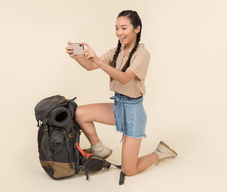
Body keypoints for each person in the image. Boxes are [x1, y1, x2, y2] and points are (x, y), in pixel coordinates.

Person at [65, 10, 177, 177]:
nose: (119, 33)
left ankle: (160, 153)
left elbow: (124, 78)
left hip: (134, 112)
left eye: (124, 28)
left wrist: (97, 60)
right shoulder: (116, 51)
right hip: (118, 106)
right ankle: (100, 150)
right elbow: (91, 66)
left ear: (137, 29)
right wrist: (77, 57)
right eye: (117, 28)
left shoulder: (142, 54)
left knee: (128, 170)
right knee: (80, 113)